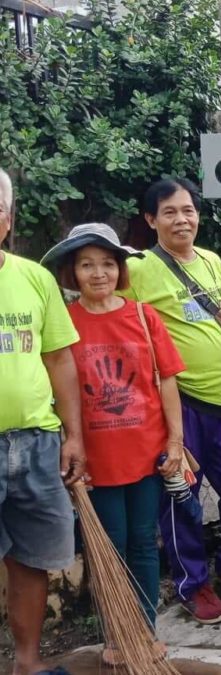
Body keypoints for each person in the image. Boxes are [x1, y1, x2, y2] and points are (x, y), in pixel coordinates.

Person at [121, 178, 221, 624]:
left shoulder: (211, 261)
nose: (181, 219)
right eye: (169, 212)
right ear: (151, 220)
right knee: (181, 498)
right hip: (176, 404)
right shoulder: (138, 269)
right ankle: (194, 584)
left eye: (188, 210)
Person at [40, 223, 184, 663]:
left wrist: (176, 441)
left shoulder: (144, 316)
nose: (98, 273)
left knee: (143, 541)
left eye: (107, 264)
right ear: (72, 272)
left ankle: (144, 628)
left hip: (146, 454)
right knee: (109, 547)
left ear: (120, 270)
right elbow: (57, 390)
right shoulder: (63, 324)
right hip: (94, 460)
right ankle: (117, 635)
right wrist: (69, 442)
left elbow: (168, 383)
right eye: (86, 265)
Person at [0, 168, 85, 675]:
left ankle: (26, 664)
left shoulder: (33, 277)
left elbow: (58, 359)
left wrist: (72, 435)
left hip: (35, 441)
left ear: (6, 220)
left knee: (31, 560)